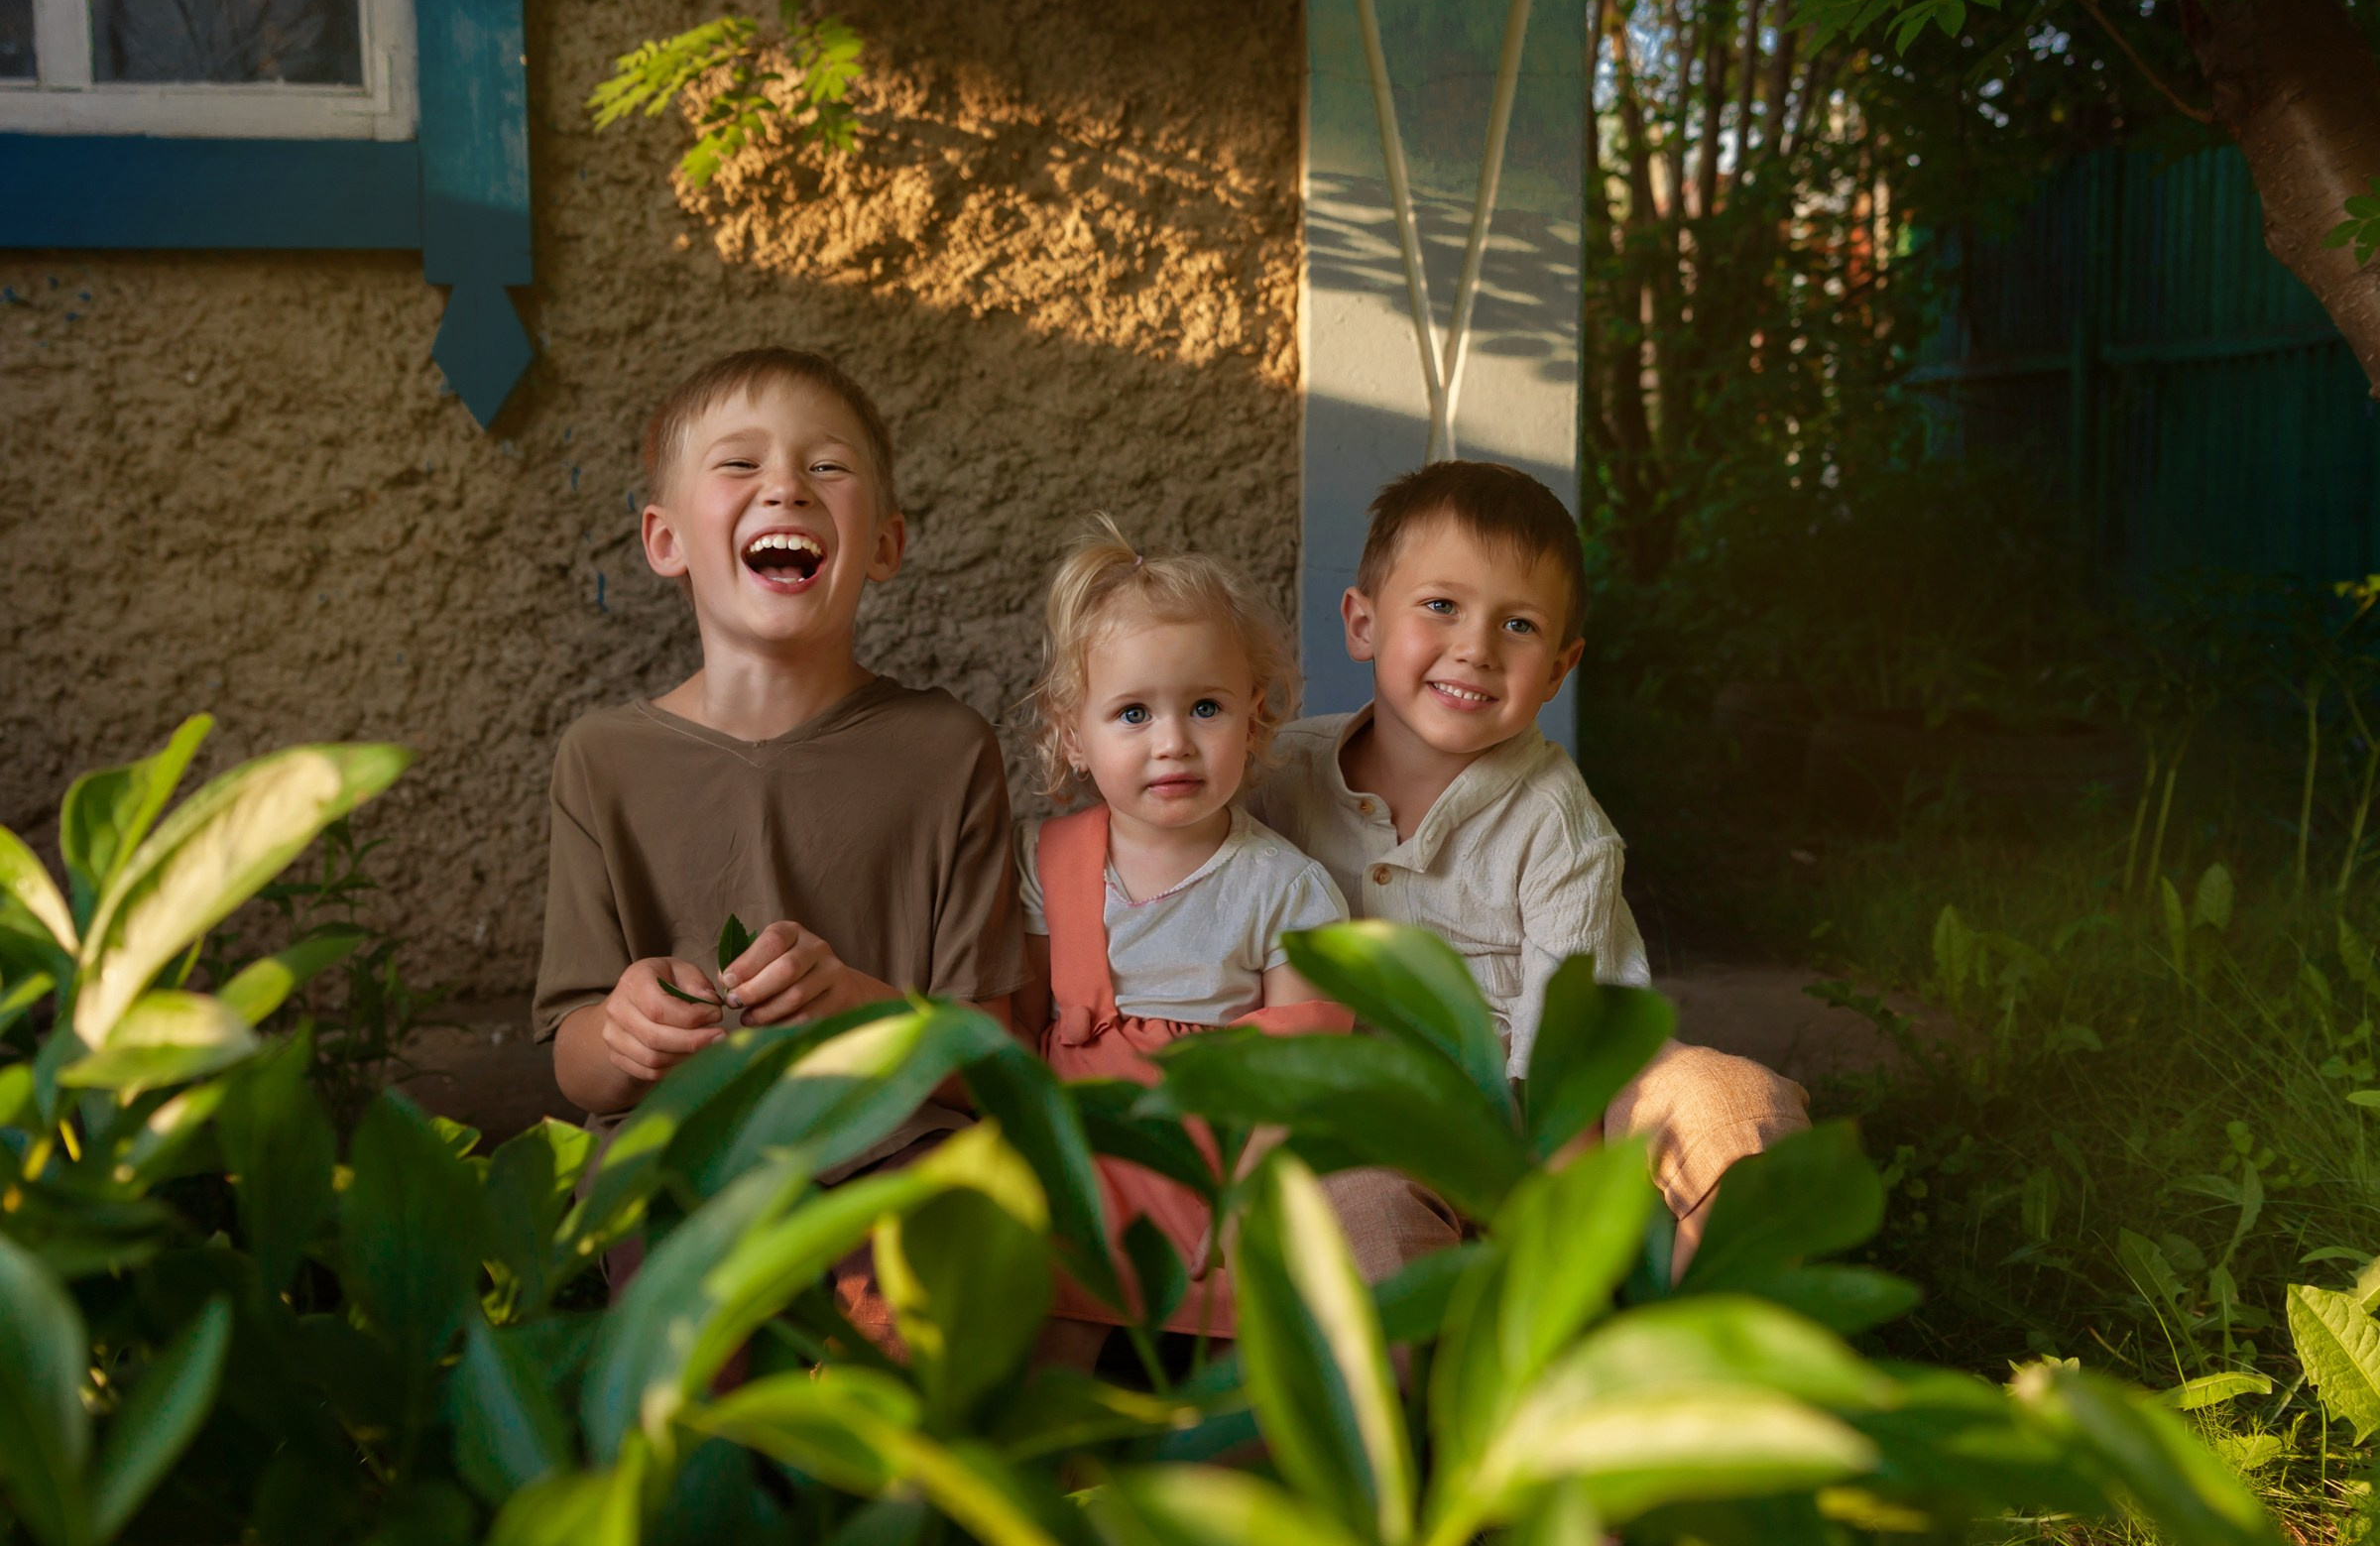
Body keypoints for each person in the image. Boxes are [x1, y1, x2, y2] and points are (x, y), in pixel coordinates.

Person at [1248, 459, 1809, 1273]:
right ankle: (1419, 1380)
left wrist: (1559, 1243)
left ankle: (1713, 1348)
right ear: (1362, 623)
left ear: (1557, 667)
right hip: (1377, 1113)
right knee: (1354, 1213)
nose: (1474, 648)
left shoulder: (1557, 820)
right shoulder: (1279, 776)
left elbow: (1571, 1064)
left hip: (1558, 1088)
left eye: (1518, 626)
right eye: (1441, 606)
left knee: (1731, 1106)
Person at [534, 346, 1025, 1202]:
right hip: (677, 1159)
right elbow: (576, 1064)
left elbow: (992, 1064)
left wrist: (860, 1007)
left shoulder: (949, 749)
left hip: (894, 1156)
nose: (786, 486)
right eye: (739, 463)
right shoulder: (600, 760)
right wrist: (625, 1031)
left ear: (883, 544)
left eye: (826, 465)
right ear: (665, 539)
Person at [1013, 517, 1359, 1347]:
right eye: (1132, 713)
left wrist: (1247, 1205)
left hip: (1213, 1173)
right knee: (1052, 1351)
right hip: (1079, 1167)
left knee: (1233, 1378)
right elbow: (1024, 1036)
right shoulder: (1046, 861)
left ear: (1256, 718)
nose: (1173, 743)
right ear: (1073, 735)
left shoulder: (1287, 890)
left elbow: (1292, 1076)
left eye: (1205, 707)